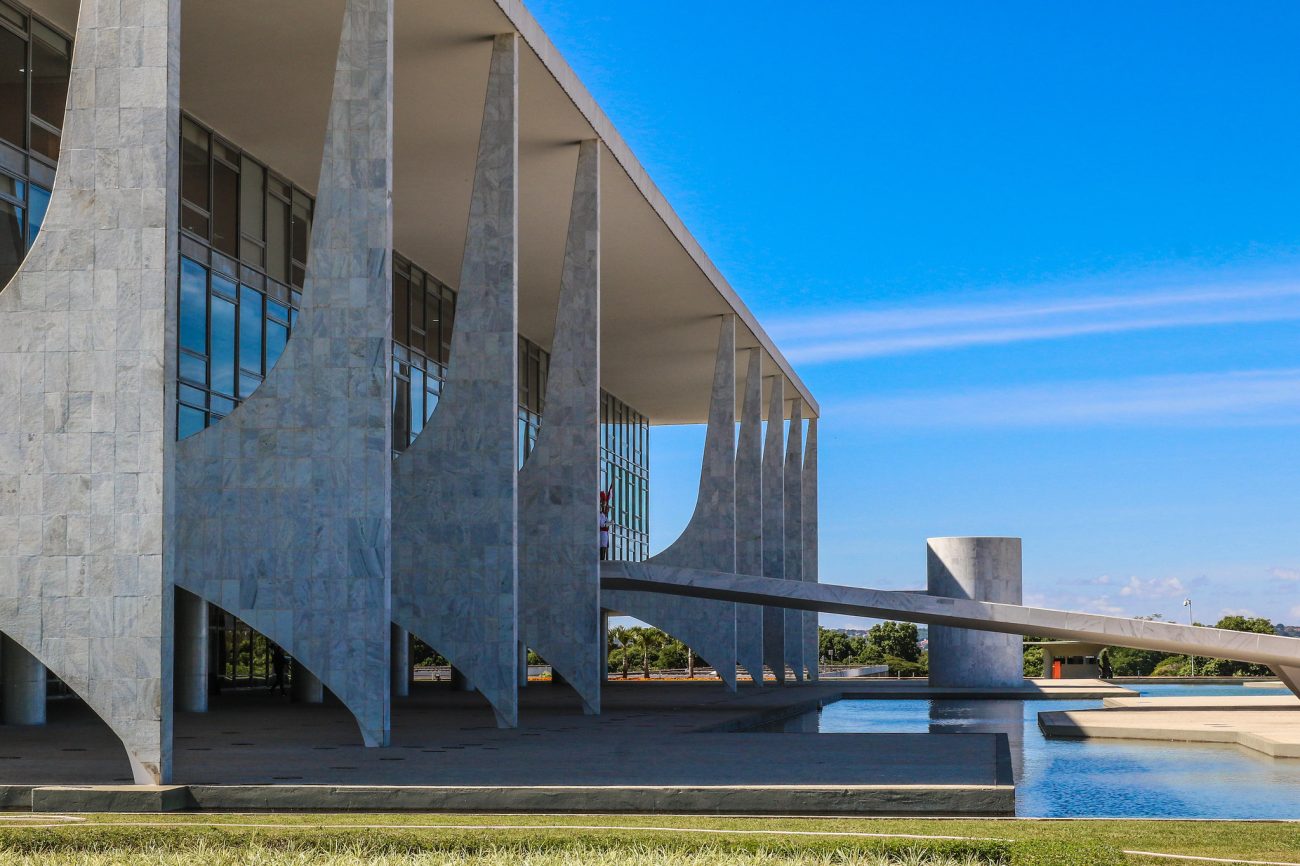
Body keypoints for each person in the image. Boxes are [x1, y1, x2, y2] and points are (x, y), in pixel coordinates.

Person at [599, 486, 612, 561]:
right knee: (602, 548)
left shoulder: (604, 516)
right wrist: (608, 524)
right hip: (602, 534)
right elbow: (601, 525)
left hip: (605, 534)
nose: (607, 510)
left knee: (605, 548)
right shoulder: (601, 515)